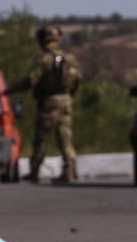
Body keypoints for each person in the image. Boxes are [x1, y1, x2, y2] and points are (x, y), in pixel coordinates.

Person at [6, 26, 81, 183]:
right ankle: (69, 170)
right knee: (65, 137)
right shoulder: (68, 58)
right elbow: (77, 80)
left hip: (48, 102)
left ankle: (35, 170)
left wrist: (10, 90)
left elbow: (31, 80)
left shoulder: (44, 59)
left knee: (41, 138)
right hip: (65, 101)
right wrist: (71, 97)